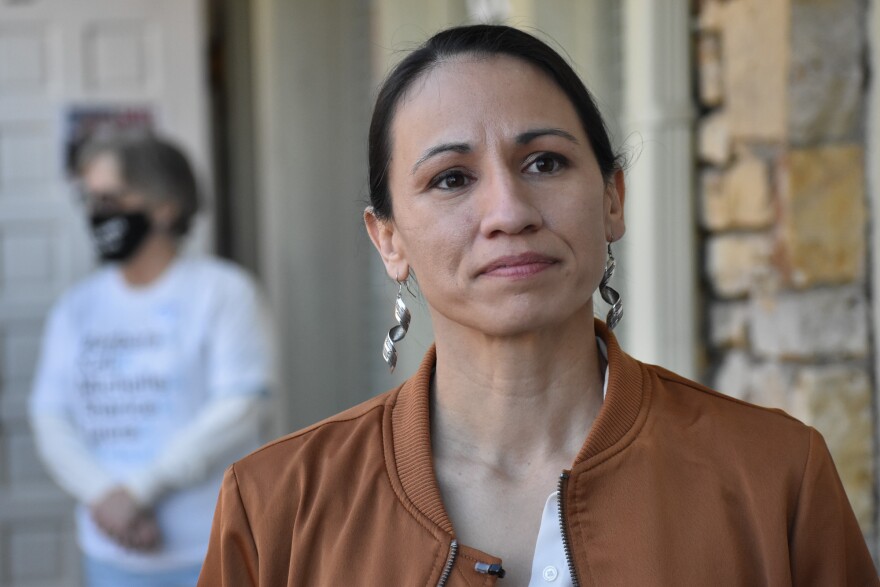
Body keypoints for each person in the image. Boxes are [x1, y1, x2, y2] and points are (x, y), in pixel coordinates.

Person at [198, 25, 878, 586]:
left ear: (612, 198)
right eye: (452, 178)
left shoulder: (774, 476)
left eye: (545, 163)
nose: (509, 212)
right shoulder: (275, 509)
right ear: (389, 239)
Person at [30, 133, 271, 587]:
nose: (95, 213)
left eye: (110, 198)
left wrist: (139, 491)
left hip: (213, 547)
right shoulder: (76, 308)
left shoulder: (223, 292)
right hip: (111, 552)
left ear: (166, 205)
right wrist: (106, 497)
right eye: (90, 199)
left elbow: (242, 405)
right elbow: (50, 416)